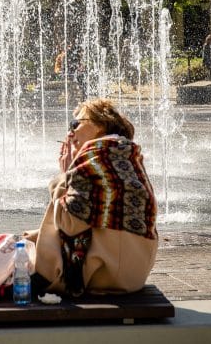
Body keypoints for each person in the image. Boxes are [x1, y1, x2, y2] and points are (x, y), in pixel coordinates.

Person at [25, 99, 158, 296]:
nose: (70, 133)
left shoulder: (92, 156)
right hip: (134, 274)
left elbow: (69, 224)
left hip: (105, 275)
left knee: (14, 259)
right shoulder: (126, 152)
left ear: (100, 123)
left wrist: (64, 175)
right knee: (30, 239)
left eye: (75, 124)